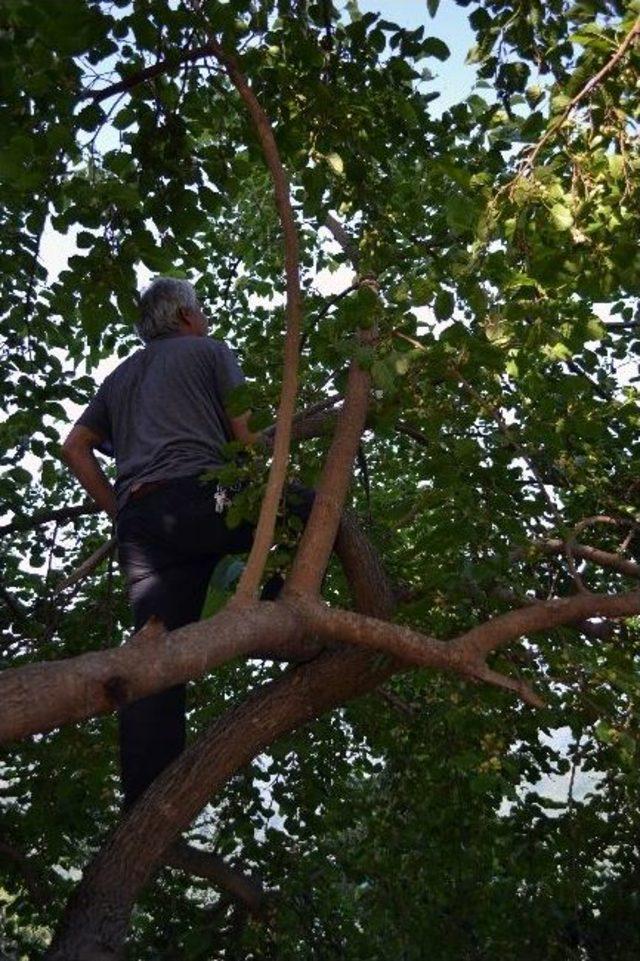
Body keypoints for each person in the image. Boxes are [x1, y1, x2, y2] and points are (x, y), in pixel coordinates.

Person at [61, 276, 296, 810]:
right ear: (187, 317)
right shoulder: (209, 351)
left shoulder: (119, 378)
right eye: (203, 309)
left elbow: (75, 447)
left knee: (155, 655)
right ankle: (286, 602)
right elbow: (249, 440)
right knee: (303, 506)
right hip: (200, 497)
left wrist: (119, 511)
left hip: (143, 526)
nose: (206, 318)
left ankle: (147, 807)